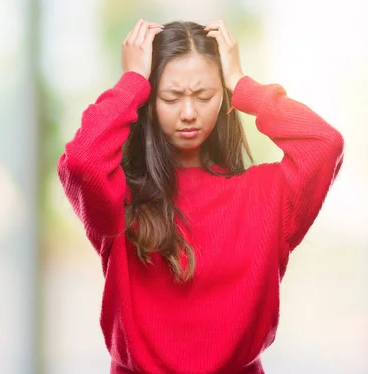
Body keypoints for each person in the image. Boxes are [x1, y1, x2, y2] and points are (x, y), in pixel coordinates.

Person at [57, 19, 345, 374]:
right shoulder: (122, 199)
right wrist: (132, 82)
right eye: (171, 97)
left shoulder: (265, 195)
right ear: (149, 101)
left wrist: (242, 82)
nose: (189, 113)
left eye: (204, 95)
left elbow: (324, 143)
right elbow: (83, 160)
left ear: (224, 98)